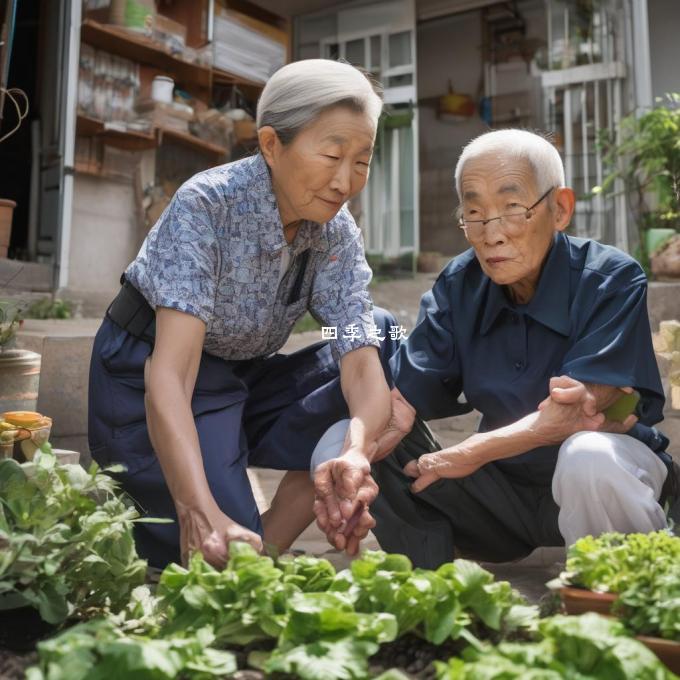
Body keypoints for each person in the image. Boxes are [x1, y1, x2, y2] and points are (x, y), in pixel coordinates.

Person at [314, 129, 676, 569]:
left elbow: (582, 411)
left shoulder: (610, 278)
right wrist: (355, 455)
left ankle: (619, 590)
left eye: (512, 209)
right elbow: (401, 401)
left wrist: (471, 451)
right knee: (351, 438)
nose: (492, 234)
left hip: (605, 478)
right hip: (502, 496)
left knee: (588, 455)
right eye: (474, 213)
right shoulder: (460, 283)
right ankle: (426, 587)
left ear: (559, 208)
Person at [88, 59, 399, 569]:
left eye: (361, 162)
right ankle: (234, 547)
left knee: (384, 333)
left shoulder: (334, 231)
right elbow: (170, 374)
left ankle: (266, 546)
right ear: (273, 146)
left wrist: (357, 451)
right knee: (211, 543)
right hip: (152, 380)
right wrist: (196, 509)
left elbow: (357, 348)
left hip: (241, 378)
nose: (345, 181)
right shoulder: (207, 205)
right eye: (331, 155)